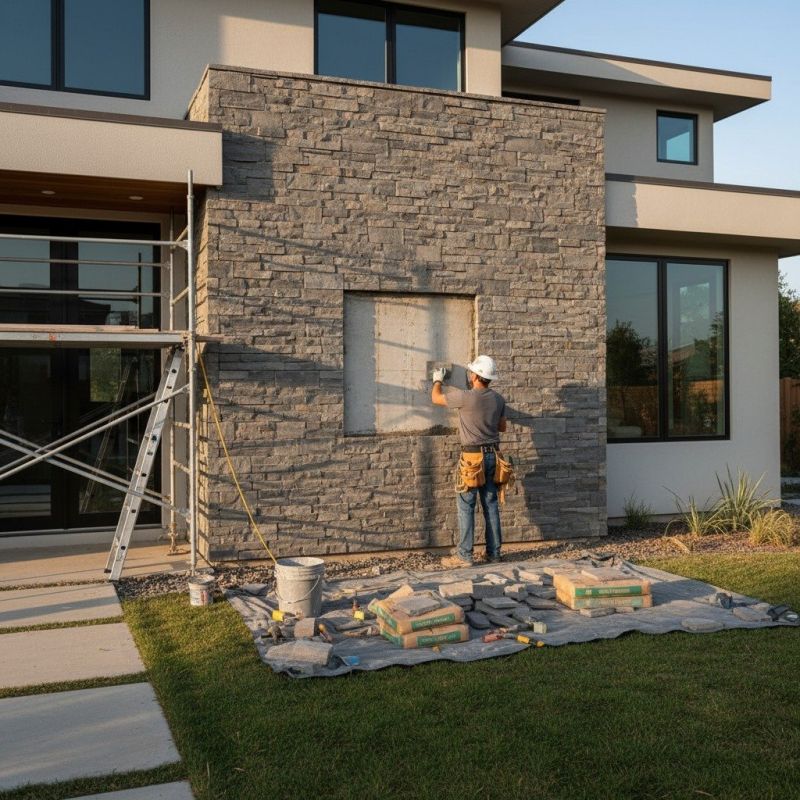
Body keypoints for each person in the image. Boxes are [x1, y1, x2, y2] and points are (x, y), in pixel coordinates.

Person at [431, 355, 507, 567]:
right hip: (493, 455)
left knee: (466, 506)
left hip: (472, 459)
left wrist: (437, 379)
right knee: (490, 504)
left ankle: (465, 556)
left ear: (474, 375)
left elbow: (436, 398)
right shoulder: (499, 399)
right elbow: (502, 428)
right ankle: (494, 554)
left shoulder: (465, 397)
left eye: (471, 372)